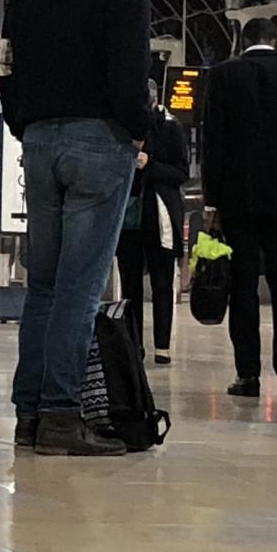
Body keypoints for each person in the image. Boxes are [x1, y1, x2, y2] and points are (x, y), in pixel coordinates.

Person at [2, 0, 154, 457]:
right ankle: (63, 417)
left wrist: (26, 126)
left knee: (42, 285)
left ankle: (28, 414)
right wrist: (137, 129)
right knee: (80, 288)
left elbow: (7, 68)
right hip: (98, 142)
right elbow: (128, 75)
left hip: (39, 141)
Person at [199, 19, 277, 401]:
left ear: (243, 41)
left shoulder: (223, 76)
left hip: (238, 199)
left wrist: (212, 200)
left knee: (242, 286)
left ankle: (247, 375)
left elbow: (213, 141)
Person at [117, 83, 189, 366]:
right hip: (129, 216)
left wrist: (150, 165)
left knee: (161, 283)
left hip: (160, 217)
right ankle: (133, 344)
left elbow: (180, 173)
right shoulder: (123, 130)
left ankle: (163, 346)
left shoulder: (170, 129)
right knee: (129, 283)